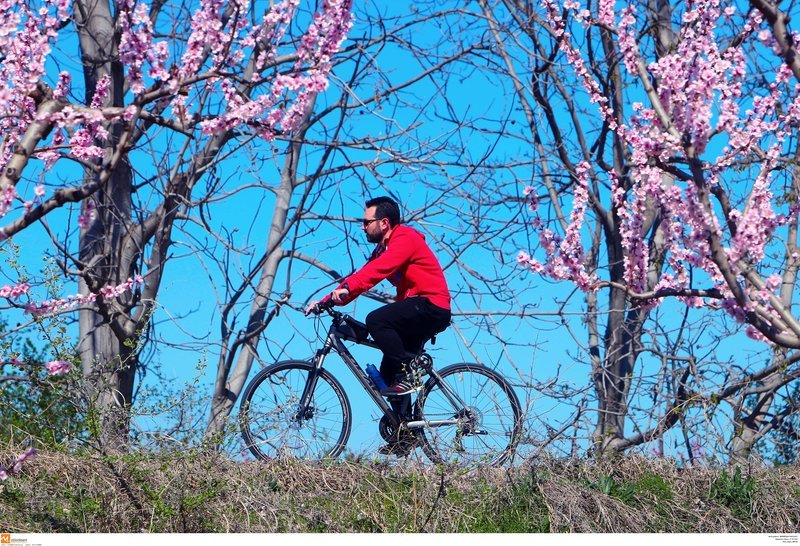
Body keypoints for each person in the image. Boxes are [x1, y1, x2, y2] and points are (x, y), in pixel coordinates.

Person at [306, 196, 451, 454]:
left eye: (366, 222)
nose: (362, 227)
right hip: (417, 309)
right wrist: (327, 300)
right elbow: (363, 276)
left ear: (384, 223)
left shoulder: (405, 239)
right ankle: (405, 434)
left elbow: (378, 271)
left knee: (376, 319)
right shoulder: (382, 249)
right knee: (388, 373)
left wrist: (348, 289)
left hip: (431, 306)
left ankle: (411, 371)